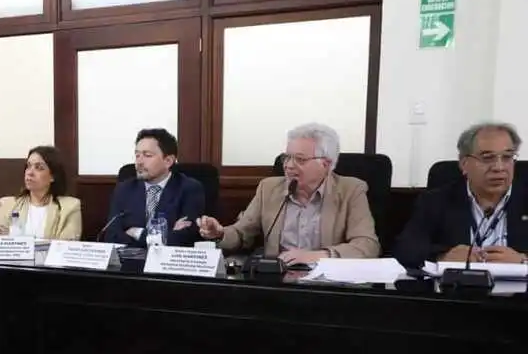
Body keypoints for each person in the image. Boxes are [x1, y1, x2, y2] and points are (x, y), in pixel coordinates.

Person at [196, 123, 379, 262]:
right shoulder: (268, 188)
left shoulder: (351, 191)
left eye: (300, 159)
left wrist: (317, 256)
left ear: (326, 164)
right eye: (287, 157)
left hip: (327, 285)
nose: (289, 165)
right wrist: (220, 233)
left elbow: (367, 245)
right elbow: (242, 234)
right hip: (278, 282)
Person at [395, 122, 526, 268]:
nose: (499, 167)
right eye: (487, 158)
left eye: (507, 157)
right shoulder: (436, 201)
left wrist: (523, 261)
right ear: (464, 164)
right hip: (457, 288)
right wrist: (443, 256)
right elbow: (406, 249)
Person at [105, 129, 204, 246]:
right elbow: (112, 236)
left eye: (147, 155)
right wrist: (166, 234)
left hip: (169, 262)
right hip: (130, 260)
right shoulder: (125, 189)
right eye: (137, 155)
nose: (139, 162)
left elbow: (185, 238)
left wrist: (137, 233)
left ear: (168, 161)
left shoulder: (189, 189)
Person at [0, 146, 82, 240]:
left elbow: (64, 249)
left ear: (53, 176)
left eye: (39, 168)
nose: (30, 172)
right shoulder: (8, 205)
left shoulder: (69, 208)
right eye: (28, 166)